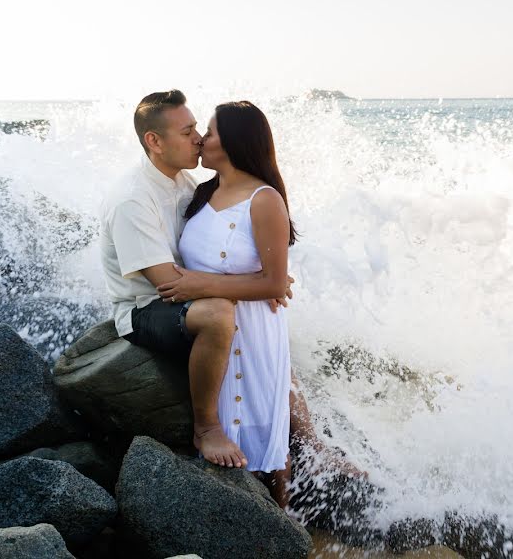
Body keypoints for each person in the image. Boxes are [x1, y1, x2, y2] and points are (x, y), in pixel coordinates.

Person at [100, 90, 359, 494]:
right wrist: (252, 287)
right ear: (154, 141)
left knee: (258, 338)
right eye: (189, 132)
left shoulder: (187, 183)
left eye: (202, 130)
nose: (199, 139)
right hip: (146, 308)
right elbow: (170, 283)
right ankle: (208, 428)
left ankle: (302, 457)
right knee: (222, 313)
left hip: (202, 302)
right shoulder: (134, 198)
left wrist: (267, 282)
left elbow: (228, 248)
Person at [165, 100, 296, 504]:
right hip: (212, 328)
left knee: (265, 444)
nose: (202, 139)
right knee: (223, 433)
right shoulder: (202, 192)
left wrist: (199, 285)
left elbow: (273, 282)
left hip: (253, 329)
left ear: (236, 142)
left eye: (212, 131)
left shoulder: (263, 199)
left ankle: (282, 522)